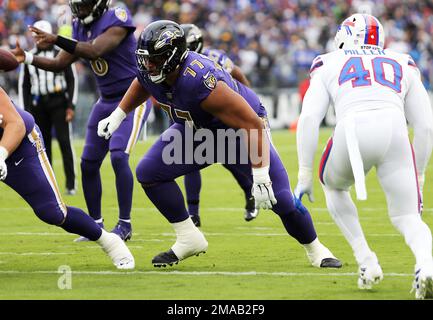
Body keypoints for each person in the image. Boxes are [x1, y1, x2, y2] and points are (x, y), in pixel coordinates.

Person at [97, 20, 342, 269]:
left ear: (172, 57)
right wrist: (118, 114)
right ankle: (188, 237)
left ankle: (316, 250)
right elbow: (141, 82)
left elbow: (252, 124)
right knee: (149, 172)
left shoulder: (199, 79)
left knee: (280, 199)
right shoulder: (153, 69)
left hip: (236, 133)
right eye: (145, 59)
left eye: (155, 59)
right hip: (197, 131)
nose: (148, 65)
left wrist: (259, 177)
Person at [294, 13, 433, 299]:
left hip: (353, 127)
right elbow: (425, 125)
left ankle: (366, 261)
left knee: (332, 184)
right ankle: (426, 264)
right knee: (408, 216)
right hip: (395, 130)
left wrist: (305, 172)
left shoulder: (328, 61)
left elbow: (309, 118)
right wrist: (418, 173)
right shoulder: (403, 60)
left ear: (344, 35)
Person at [11, 0, 152, 241]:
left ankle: (125, 224)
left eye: (84, 5)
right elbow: (59, 63)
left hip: (132, 97)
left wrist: (56, 39)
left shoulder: (117, 16)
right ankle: (95, 225)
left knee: (118, 156)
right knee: (87, 163)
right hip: (105, 100)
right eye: (78, 5)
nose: (80, 10)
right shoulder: (78, 25)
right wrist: (27, 58)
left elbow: (95, 50)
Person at [0, 85, 134, 269]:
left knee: (52, 211)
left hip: (19, 144)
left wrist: (1, 154)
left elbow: (16, 124)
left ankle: (110, 242)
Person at [176, 23, 256, 227]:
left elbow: (237, 73)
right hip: (189, 116)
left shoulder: (214, 57)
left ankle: (250, 193)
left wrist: (248, 100)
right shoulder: (174, 65)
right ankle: (193, 214)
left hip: (216, 117)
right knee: (187, 159)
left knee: (231, 161)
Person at [18, 20, 77, 195]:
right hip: (38, 105)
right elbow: (25, 86)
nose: (38, 39)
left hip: (59, 103)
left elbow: (72, 80)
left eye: (40, 35)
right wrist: (25, 111)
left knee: (65, 142)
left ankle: (71, 185)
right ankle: (48, 184)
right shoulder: (30, 56)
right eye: (35, 36)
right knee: (42, 147)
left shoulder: (61, 54)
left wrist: (70, 106)